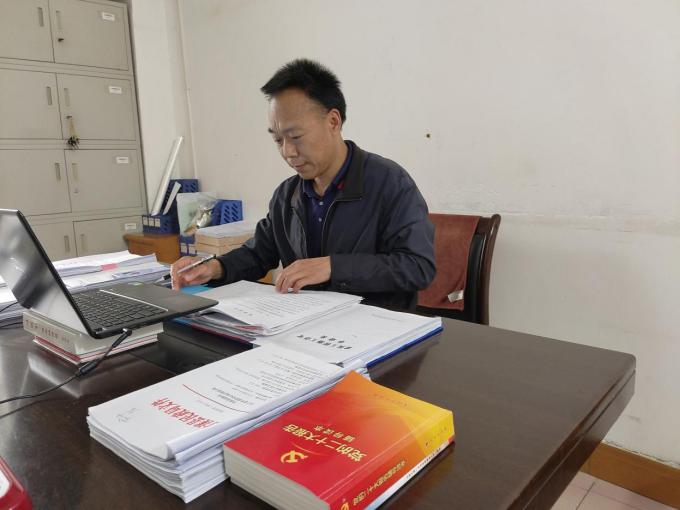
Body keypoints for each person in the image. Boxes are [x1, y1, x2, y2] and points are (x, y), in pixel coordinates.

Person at [171, 59, 435, 310]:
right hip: (304, 325)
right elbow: (259, 254)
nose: (288, 152)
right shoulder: (287, 194)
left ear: (333, 122)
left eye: (296, 136)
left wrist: (333, 267)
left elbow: (418, 267)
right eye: (278, 140)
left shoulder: (390, 183)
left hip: (375, 329)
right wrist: (215, 267)